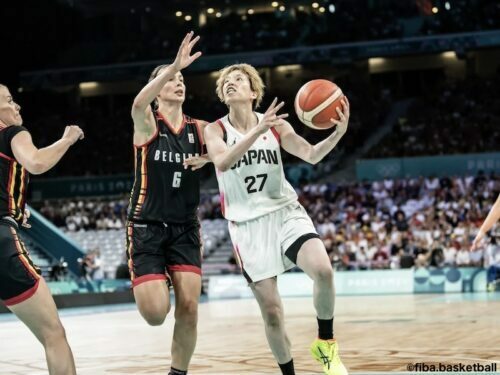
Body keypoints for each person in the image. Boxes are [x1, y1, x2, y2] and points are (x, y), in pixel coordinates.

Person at [204, 63, 349, 375]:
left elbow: (311, 154)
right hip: (247, 227)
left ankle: (326, 343)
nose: (230, 83)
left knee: (323, 271)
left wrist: (338, 132)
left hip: (284, 212)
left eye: (238, 79)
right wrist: (257, 130)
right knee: (272, 313)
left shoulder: (276, 126)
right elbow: (222, 161)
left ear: (253, 92)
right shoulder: (214, 129)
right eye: (226, 81)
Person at [126, 32, 210, 375]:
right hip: (146, 227)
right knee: (155, 315)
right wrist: (174, 64)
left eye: (181, 79)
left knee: (189, 306)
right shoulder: (147, 122)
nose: (179, 83)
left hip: (185, 228)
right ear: (156, 87)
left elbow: (228, 150)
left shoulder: (200, 128)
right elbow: (136, 104)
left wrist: (210, 159)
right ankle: (154, 280)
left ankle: (178, 372)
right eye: (171, 79)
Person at [0, 83, 83, 374]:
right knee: (53, 335)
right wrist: (67, 139)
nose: (17, 106)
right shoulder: (11, 132)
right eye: (9, 100)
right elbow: (35, 162)